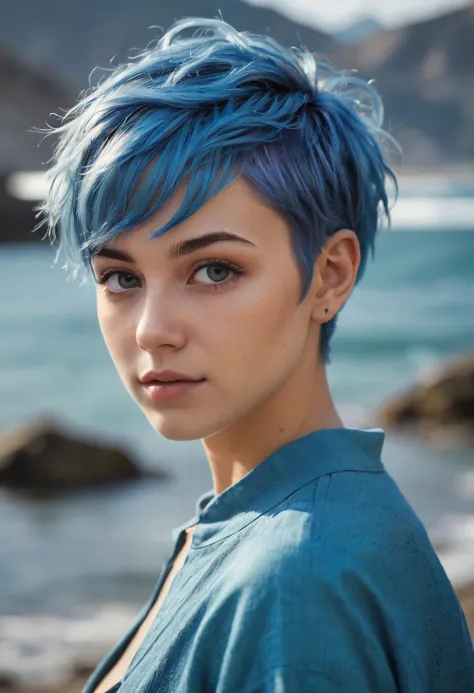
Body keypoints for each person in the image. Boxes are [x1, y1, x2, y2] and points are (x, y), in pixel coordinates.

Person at [35, 16, 474, 693]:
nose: (152, 329)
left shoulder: (297, 580)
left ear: (329, 275)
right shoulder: (263, 524)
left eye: (213, 270)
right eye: (121, 277)